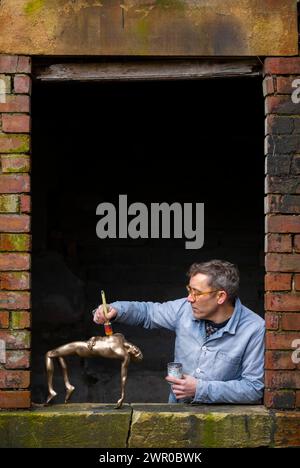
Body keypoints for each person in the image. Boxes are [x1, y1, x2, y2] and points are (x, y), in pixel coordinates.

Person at [93, 259, 265, 404]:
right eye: (189, 290)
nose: (189, 299)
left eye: (196, 293)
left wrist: (200, 389)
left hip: (224, 423)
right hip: (177, 413)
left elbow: (254, 388)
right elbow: (149, 313)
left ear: (221, 296)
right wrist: (116, 309)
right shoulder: (183, 309)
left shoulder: (254, 329)